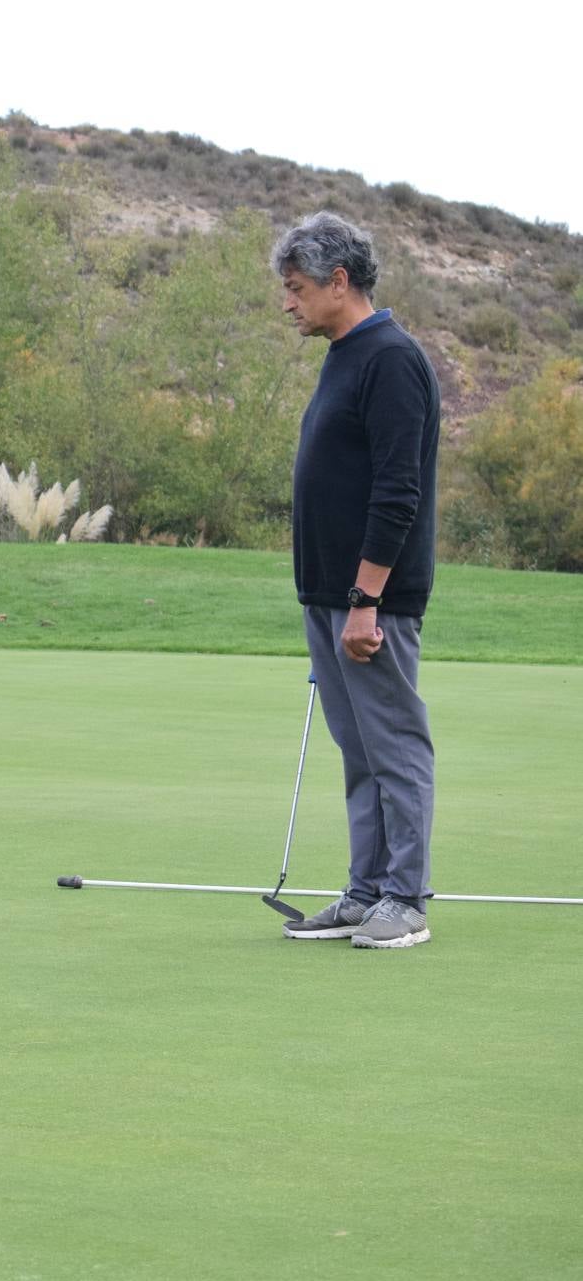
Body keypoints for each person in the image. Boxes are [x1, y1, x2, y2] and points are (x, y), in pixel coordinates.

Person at [271, 213, 441, 949]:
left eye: (297, 288)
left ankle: (404, 899)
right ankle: (365, 891)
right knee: (358, 750)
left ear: (339, 281)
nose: (289, 304)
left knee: (393, 748)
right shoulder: (342, 353)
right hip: (328, 595)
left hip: (369, 601)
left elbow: (397, 491)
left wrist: (365, 599)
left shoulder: (391, 359)